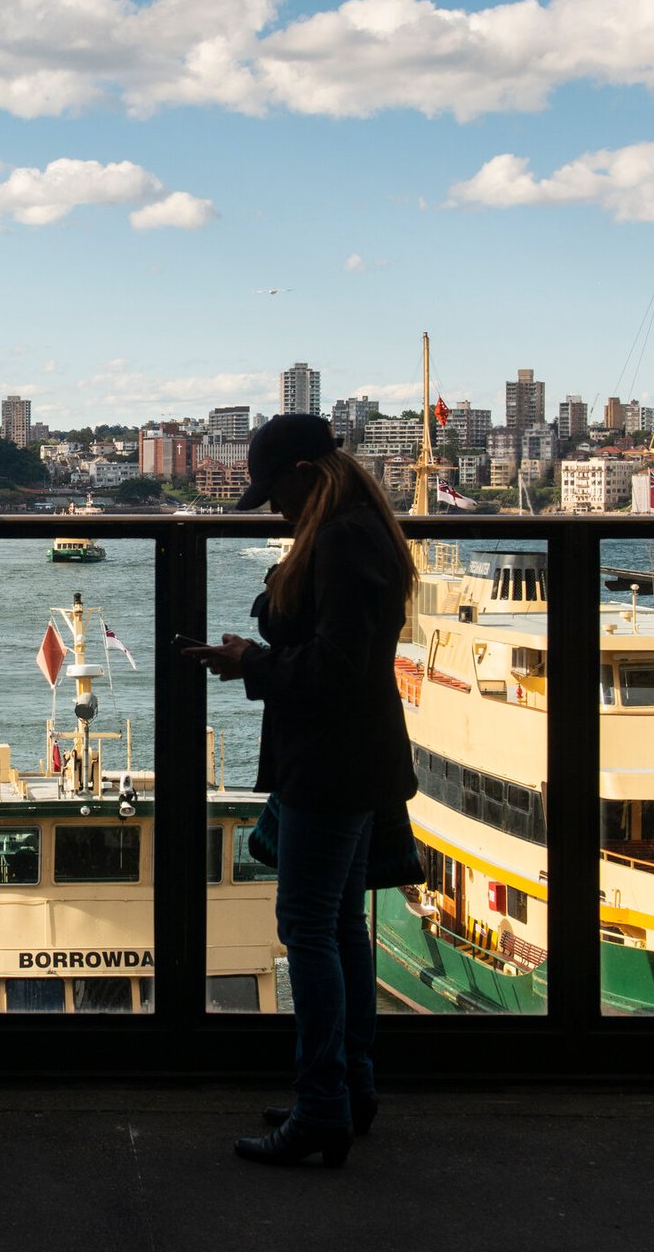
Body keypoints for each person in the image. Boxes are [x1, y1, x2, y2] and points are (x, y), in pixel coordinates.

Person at [184, 413, 417, 1169]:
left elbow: (332, 669)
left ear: (304, 476)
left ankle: (322, 1108)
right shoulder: (360, 528)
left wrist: (250, 661)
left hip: (330, 760)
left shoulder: (342, 539)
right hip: (354, 754)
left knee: (308, 929)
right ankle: (351, 1087)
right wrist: (255, 656)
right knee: (342, 926)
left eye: (276, 492)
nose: (275, 508)